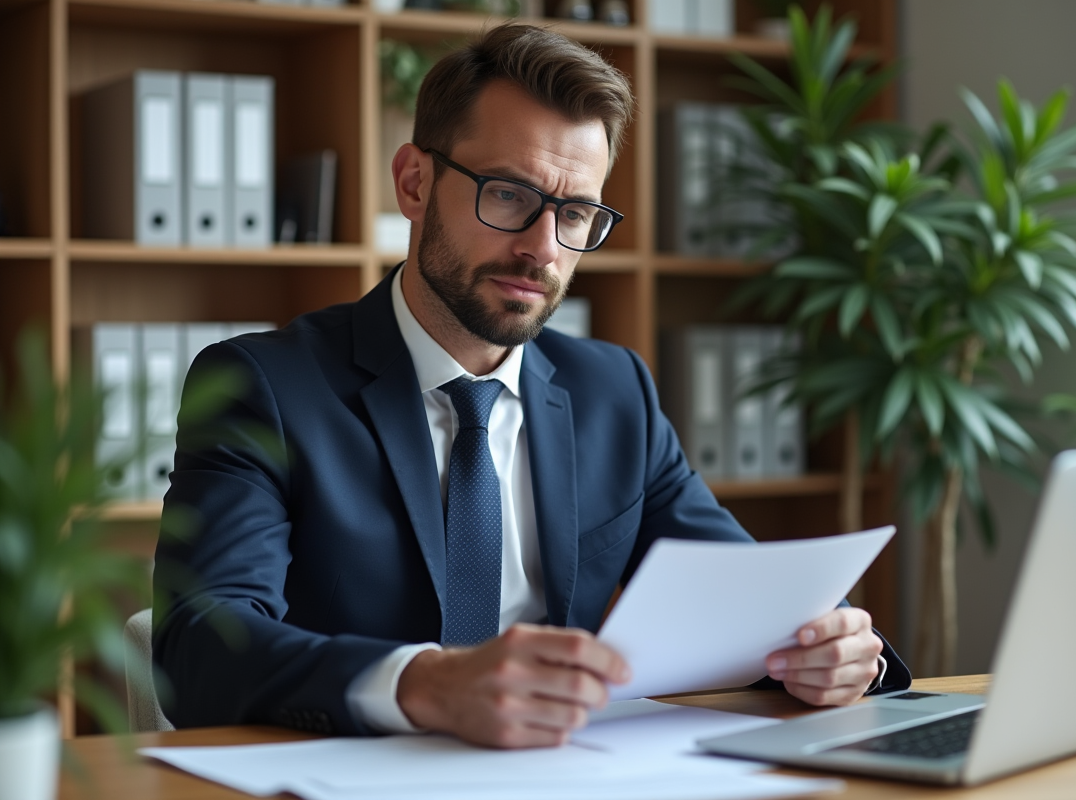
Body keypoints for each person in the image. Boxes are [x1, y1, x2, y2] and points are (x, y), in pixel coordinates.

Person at [153, 23, 910, 749]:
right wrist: (426, 685)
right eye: (509, 195)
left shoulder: (615, 392)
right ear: (414, 183)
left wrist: (840, 649)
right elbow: (200, 645)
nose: (542, 249)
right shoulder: (265, 385)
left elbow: (750, 597)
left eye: (575, 212)